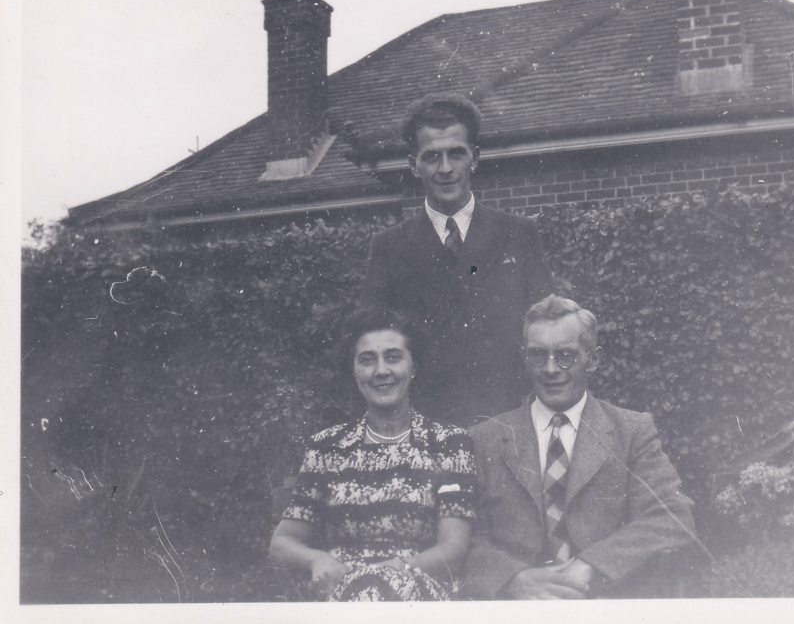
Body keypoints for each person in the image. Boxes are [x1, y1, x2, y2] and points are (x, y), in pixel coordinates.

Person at [464, 295, 696, 600]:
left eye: (565, 355)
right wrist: (512, 579)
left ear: (594, 359)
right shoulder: (485, 438)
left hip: (605, 604)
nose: (550, 369)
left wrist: (592, 564)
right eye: (537, 355)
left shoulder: (631, 431)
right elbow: (465, 537)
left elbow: (673, 516)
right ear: (524, 358)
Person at [361, 92, 554, 427]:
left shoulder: (519, 235)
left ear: (474, 158)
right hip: (425, 432)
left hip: (510, 423)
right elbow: (371, 346)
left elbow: (548, 334)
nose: (446, 168)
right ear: (413, 165)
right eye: (432, 156)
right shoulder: (389, 248)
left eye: (456, 154)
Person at [268, 307, 476, 601]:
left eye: (393, 357)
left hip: (418, 594)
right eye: (367, 360)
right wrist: (317, 559)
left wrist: (394, 570)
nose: (381, 371)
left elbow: (454, 548)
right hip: (340, 597)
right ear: (354, 371)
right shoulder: (328, 447)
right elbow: (282, 543)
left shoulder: (448, 443)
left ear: (413, 367)